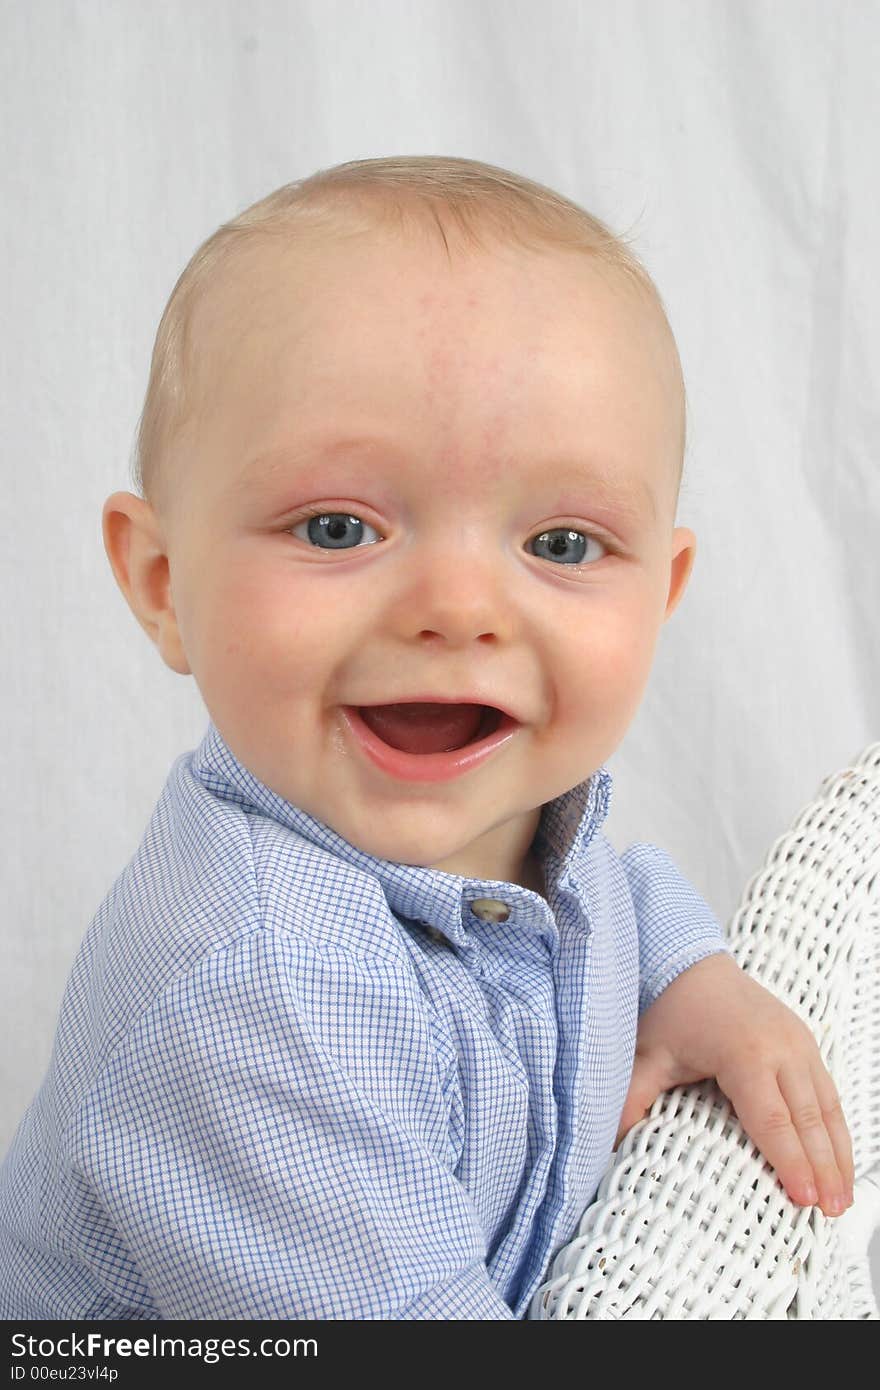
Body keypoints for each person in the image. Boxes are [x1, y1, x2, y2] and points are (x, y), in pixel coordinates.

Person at [0, 156, 854, 1320]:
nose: (457, 606)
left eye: (560, 544)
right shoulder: (264, 996)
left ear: (662, 592)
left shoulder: (524, 819)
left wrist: (695, 979)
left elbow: (619, 886)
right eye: (339, 525)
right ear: (160, 582)